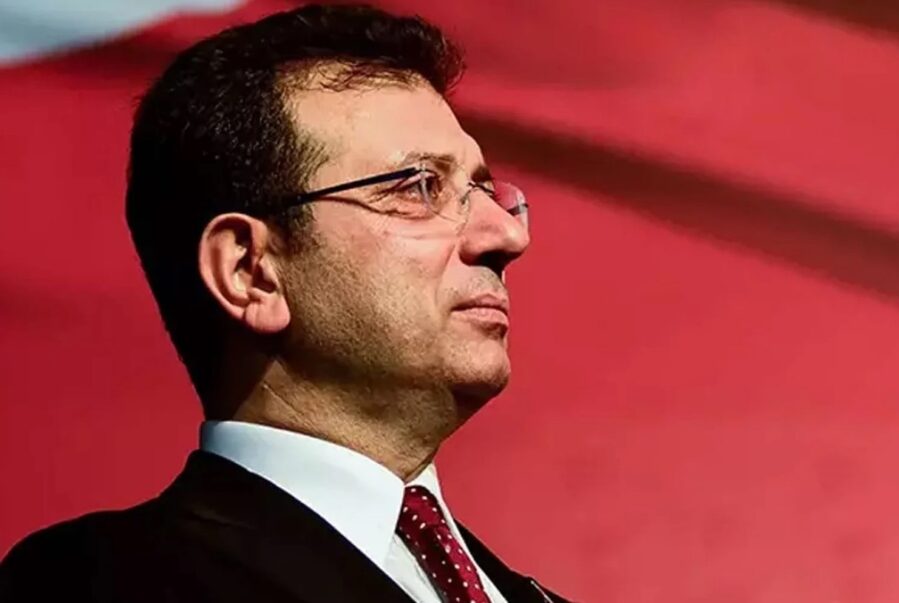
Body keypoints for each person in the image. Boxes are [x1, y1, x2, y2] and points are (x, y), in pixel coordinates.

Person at [0, 4, 568, 602]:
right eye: (419, 187)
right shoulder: (103, 582)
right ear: (250, 271)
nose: (507, 235)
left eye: (485, 191)